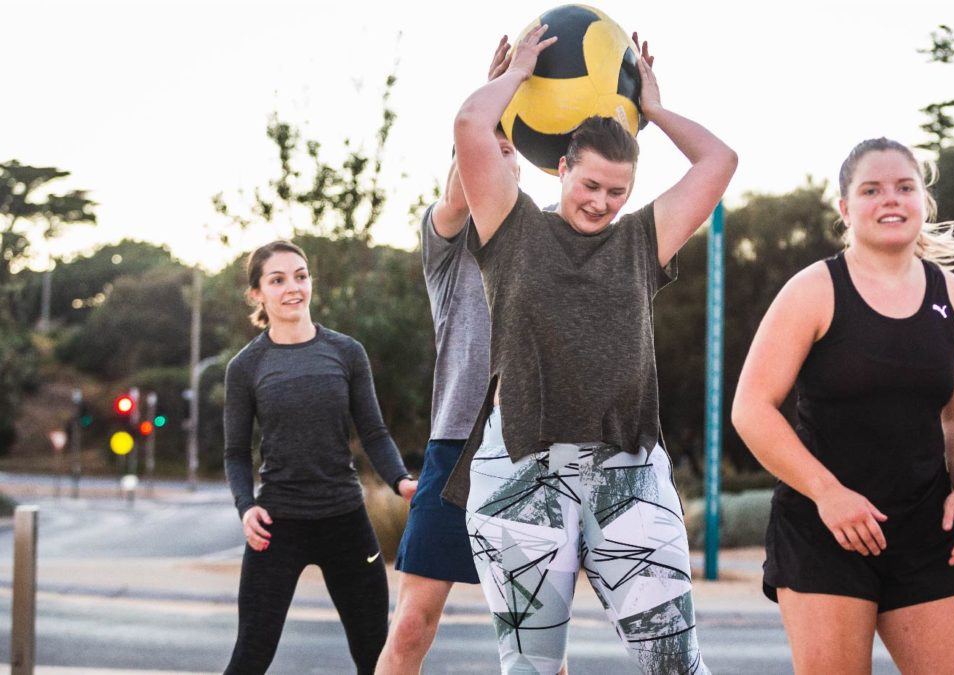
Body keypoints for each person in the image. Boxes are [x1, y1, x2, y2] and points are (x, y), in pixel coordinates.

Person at [443, 26, 736, 675]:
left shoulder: (641, 240)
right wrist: (514, 78)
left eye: (617, 191)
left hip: (627, 471)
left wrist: (653, 108)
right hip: (522, 473)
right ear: (563, 167)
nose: (601, 202)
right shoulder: (511, 228)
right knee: (532, 669)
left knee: (677, 666)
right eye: (591, 184)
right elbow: (470, 124)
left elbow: (719, 162)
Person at [731, 137, 954, 674]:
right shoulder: (814, 291)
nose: (890, 200)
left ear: (923, 201)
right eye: (871, 190)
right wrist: (829, 494)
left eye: (904, 187)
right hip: (824, 531)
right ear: (846, 209)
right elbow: (752, 408)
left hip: (924, 532)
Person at [376, 37, 571, 675]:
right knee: (409, 629)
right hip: (455, 451)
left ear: (525, 170)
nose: (494, 159)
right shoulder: (447, 245)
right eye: (485, 151)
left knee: (538, 644)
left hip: (535, 455)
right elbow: (461, 188)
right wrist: (492, 105)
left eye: (507, 152)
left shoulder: (554, 241)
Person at [223, 240, 416, 675]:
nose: (293, 288)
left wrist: (400, 481)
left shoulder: (347, 353)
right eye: (278, 280)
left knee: (375, 655)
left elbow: (374, 432)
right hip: (277, 526)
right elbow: (236, 453)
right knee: (251, 655)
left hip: (346, 521)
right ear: (258, 293)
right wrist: (246, 506)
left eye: (300, 275)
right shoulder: (246, 367)